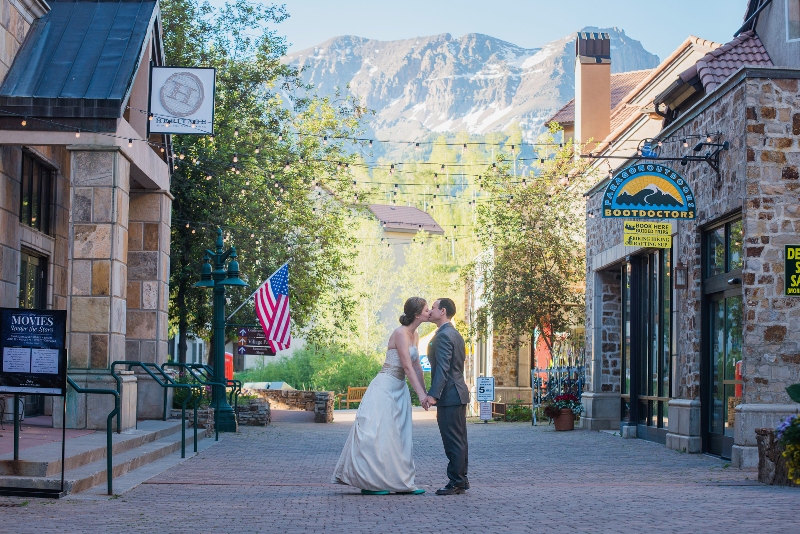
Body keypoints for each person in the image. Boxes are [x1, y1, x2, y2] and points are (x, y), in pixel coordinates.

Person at [332, 297, 432, 495]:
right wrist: (420, 395)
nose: (429, 312)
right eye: (427, 309)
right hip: (385, 386)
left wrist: (425, 392)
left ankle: (402, 483)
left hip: (399, 388)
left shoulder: (415, 334)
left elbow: (416, 366)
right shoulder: (401, 333)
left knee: (399, 436)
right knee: (376, 434)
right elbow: (405, 366)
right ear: (417, 314)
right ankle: (370, 483)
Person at [422, 297, 470, 495]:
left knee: (453, 440)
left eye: (433, 308)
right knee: (459, 439)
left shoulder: (443, 336)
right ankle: (461, 479)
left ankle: (457, 481)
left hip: (450, 395)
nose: (430, 311)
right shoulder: (454, 333)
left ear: (443, 311)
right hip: (457, 392)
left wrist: (433, 395)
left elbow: (443, 368)